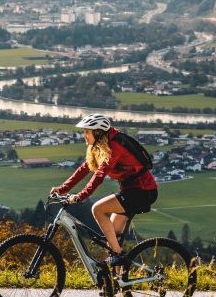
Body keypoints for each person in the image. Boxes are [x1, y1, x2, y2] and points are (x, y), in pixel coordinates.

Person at [50, 114, 158, 267]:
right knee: (112, 238)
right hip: (131, 191)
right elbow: (84, 169)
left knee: (98, 209)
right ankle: (118, 280)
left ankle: (119, 256)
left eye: (87, 132)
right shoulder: (100, 147)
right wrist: (63, 189)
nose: (84, 135)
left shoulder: (114, 148)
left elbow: (99, 175)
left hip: (141, 192)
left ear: (98, 133)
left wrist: (81, 196)